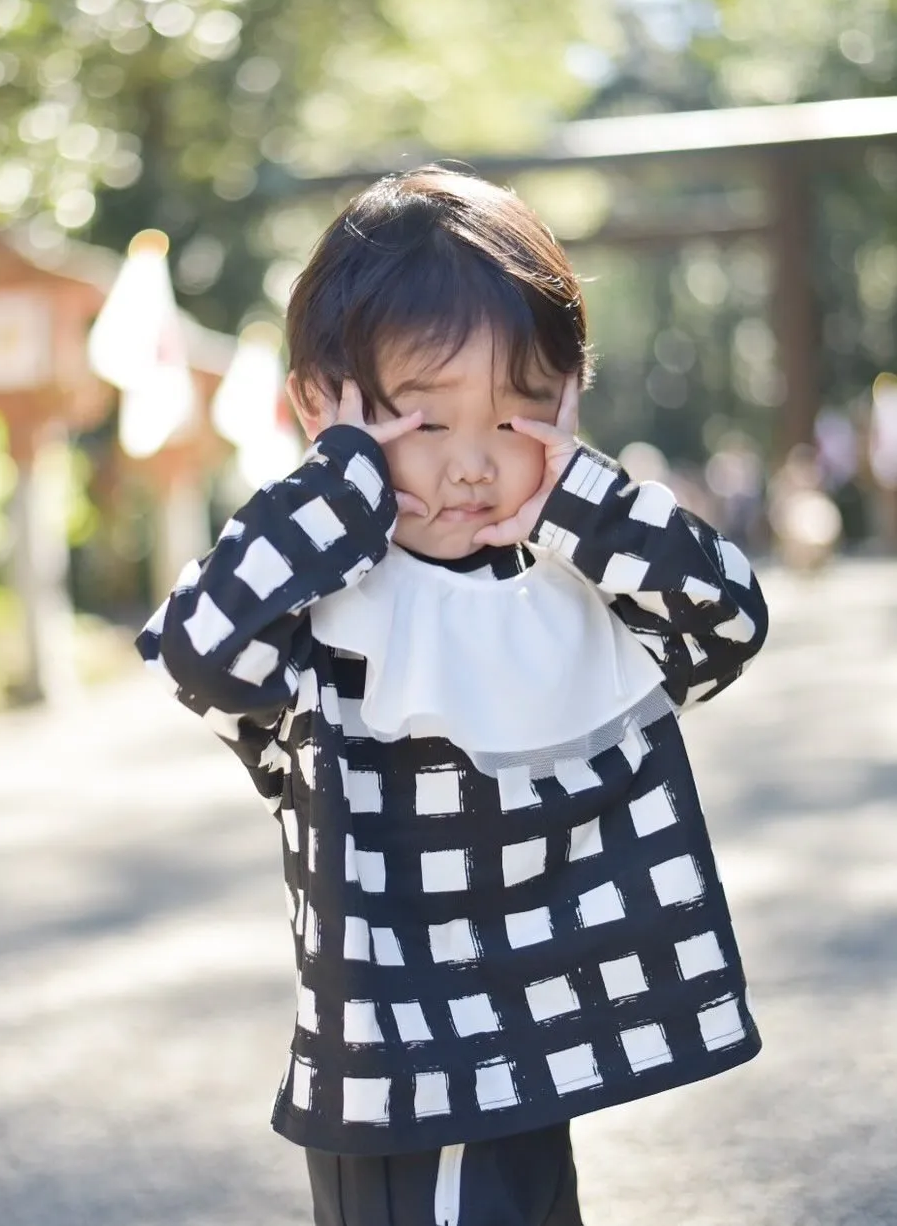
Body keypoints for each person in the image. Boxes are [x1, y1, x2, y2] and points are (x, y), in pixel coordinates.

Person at [135, 167, 769, 1226]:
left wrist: (576, 494)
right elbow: (202, 652)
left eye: (518, 419)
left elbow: (725, 618)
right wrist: (341, 487)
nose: (473, 465)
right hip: (400, 1079)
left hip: (532, 1057)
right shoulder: (323, 613)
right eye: (423, 428)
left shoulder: (566, 589)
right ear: (321, 412)